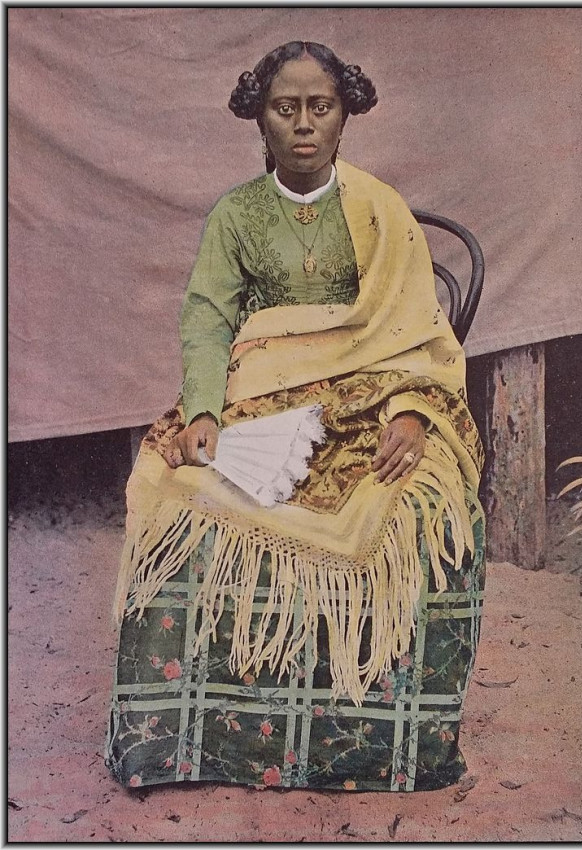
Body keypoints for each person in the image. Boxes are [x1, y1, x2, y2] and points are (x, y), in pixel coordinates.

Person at [106, 41, 485, 794]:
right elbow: (208, 319)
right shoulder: (236, 215)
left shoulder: (381, 208)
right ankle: (192, 743)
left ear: (345, 115)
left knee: (420, 504)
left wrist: (413, 413)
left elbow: (421, 331)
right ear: (260, 118)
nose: (304, 125)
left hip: (379, 395)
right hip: (263, 395)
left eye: (321, 107)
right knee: (173, 489)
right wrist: (204, 411)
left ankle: (379, 747)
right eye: (286, 109)